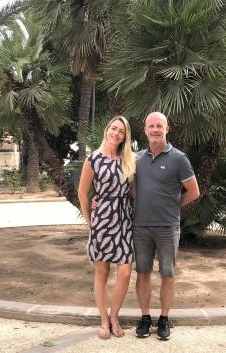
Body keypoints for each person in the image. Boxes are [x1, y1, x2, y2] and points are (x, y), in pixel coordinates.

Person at [133, 112, 200, 341]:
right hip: (141, 227)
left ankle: (163, 319)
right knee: (142, 273)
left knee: (167, 274)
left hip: (167, 227)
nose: (155, 129)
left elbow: (194, 191)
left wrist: (173, 204)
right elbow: (129, 189)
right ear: (145, 130)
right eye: (151, 126)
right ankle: (145, 317)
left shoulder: (179, 159)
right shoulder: (137, 159)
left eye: (159, 126)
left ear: (166, 129)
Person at [77, 115, 136, 340]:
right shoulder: (93, 159)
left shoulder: (129, 160)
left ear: (125, 136)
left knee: (125, 273)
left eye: (121, 131)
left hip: (124, 221)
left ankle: (114, 316)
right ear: (107, 130)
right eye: (114, 128)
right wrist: (90, 221)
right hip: (102, 222)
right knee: (101, 273)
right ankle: (103, 319)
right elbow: (82, 193)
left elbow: (134, 193)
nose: (116, 133)